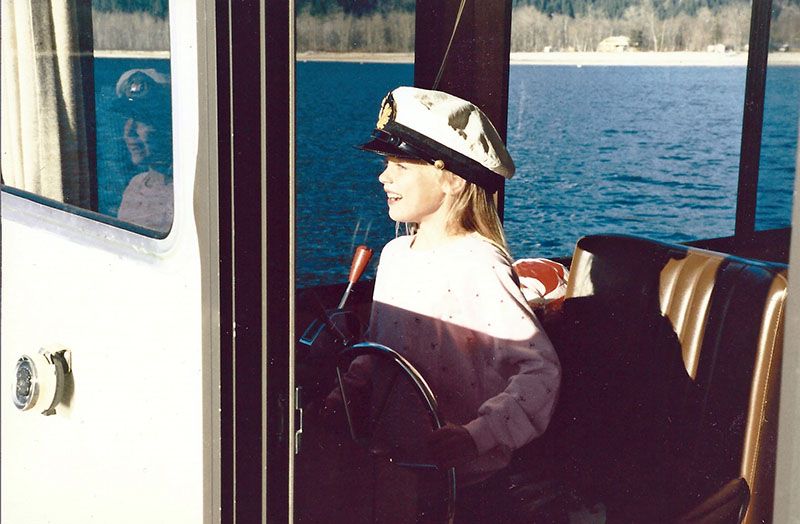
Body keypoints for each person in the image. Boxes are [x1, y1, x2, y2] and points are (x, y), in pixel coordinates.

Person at [326, 86, 562, 521]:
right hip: (398, 468)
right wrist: (350, 388)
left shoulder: (478, 263)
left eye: (400, 165)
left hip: (466, 483)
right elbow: (382, 347)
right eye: (386, 165)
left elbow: (540, 372)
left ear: (451, 179)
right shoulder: (395, 256)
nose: (384, 178)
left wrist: (477, 435)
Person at [114, 68, 173, 233]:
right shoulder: (136, 184)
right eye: (128, 119)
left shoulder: (184, 192)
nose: (128, 132)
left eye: (141, 119)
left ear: (167, 126)